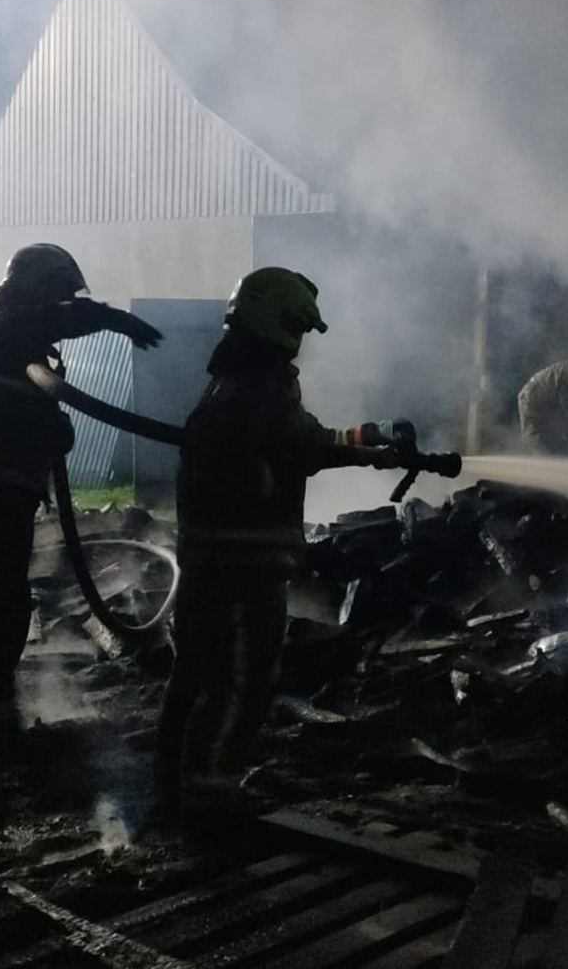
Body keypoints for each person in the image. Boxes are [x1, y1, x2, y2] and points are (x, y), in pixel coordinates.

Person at [157, 266, 413, 819]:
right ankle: (209, 803)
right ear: (277, 322)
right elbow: (306, 446)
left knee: (196, 678)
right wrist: (371, 452)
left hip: (209, 565)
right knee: (240, 686)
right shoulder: (260, 386)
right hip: (242, 573)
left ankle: (171, 784)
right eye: (297, 325)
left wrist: (370, 436)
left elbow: (301, 438)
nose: (299, 338)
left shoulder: (231, 378)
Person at [0, 243, 163, 738]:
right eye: (59, 293)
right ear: (37, 288)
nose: (63, 303)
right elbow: (49, 321)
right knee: (2, 602)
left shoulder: (13, 341)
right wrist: (109, 318)